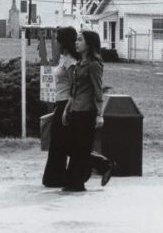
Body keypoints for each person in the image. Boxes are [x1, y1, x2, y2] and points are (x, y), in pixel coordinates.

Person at [61, 30, 114, 192]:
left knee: (81, 148)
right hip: (76, 109)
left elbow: (98, 91)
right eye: (76, 40)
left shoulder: (94, 65)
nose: (76, 42)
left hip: (87, 111)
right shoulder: (79, 64)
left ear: (89, 44)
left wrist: (99, 114)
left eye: (80, 40)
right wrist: (66, 110)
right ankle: (103, 165)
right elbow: (73, 90)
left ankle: (76, 182)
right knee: (71, 146)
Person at [42, 26, 79, 187]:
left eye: (58, 40)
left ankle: (56, 176)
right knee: (57, 141)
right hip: (60, 101)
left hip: (66, 103)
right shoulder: (64, 58)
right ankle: (54, 176)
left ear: (63, 42)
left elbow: (75, 84)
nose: (55, 43)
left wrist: (68, 107)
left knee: (59, 141)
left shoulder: (70, 59)